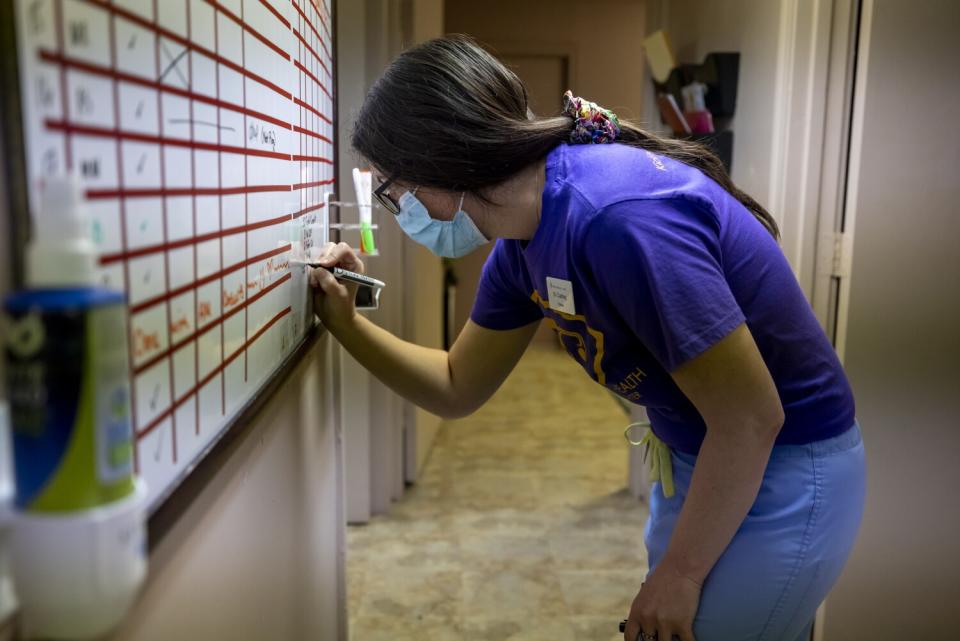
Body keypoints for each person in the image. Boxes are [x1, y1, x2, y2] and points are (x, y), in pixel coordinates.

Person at [310, 36, 866, 641]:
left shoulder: (615, 217)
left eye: (392, 193)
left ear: (441, 159)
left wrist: (679, 574)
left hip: (782, 470)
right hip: (701, 461)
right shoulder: (519, 247)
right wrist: (348, 324)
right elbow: (455, 384)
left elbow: (751, 418)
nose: (398, 211)